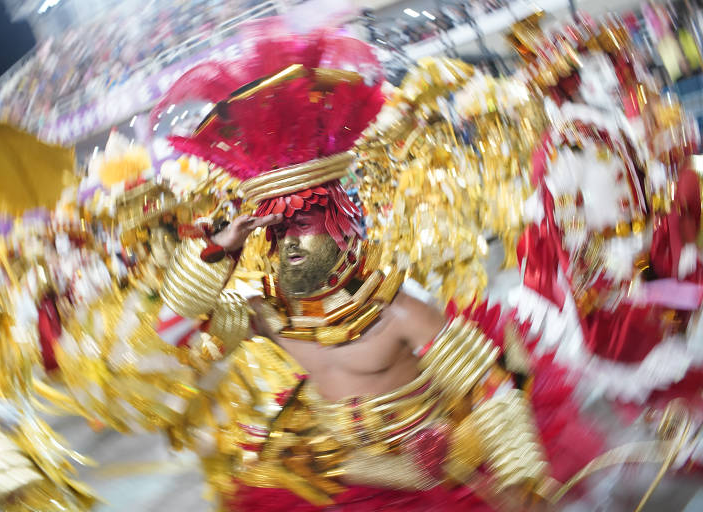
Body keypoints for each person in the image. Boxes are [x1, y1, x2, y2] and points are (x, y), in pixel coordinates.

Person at [156, 25, 593, 511]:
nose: (287, 245)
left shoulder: (401, 309)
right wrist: (217, 250)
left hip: (431, 477)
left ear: (341, 224)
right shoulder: (271, 316)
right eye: (276, 232)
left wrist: (517, 481)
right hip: (338, 477)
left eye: (302, 223)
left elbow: (489, 389)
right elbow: (175, 332)